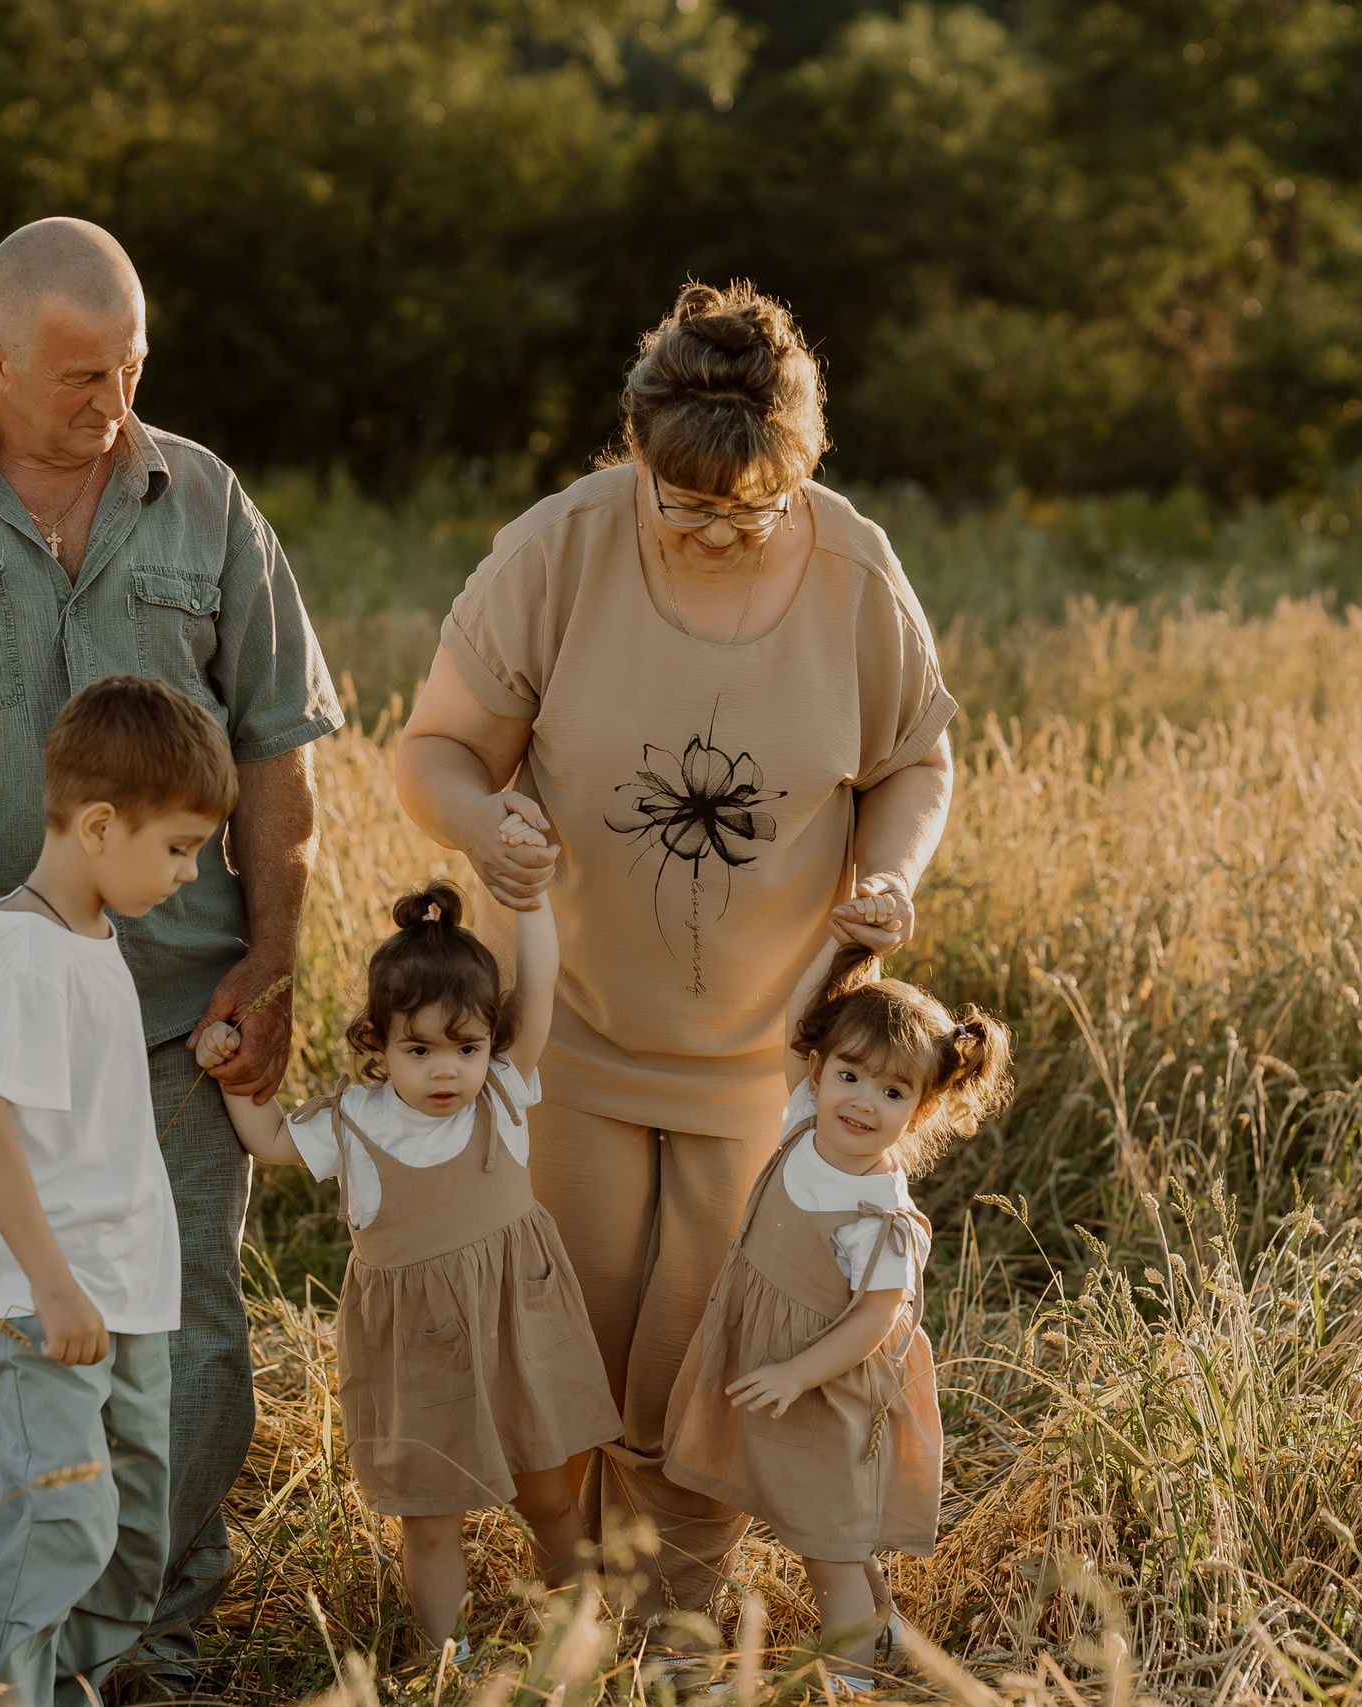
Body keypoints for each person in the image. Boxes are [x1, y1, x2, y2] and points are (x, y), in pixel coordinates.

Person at [0, 215, 343, 1679]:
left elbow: (280, 747)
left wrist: (270, 958)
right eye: (81, 375)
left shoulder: (207, 502)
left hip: (174, 1013)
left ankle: (157, 1636)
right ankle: (6, 1643)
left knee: (190, 1332)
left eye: (133, 368)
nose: (114, 403)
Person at [392, 278, 960, 1618]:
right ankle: (570, 1611)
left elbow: (917, 761)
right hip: (569, 1036)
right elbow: (431, 751)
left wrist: (889, 869)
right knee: (572, 1349)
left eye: (747, 508)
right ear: (634, 454)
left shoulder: (857, 570)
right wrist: (487, 820)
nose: (713, 531)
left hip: (770, 1062)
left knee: (704, 1358)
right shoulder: (558, 548)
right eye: (680, 503)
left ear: (803, 468)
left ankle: (675, 1626)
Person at [193, 852, 620, 1664]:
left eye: (464, 1046)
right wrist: (228, 1068)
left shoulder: (503, 1088)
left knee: (552, 1496)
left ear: (490, 1040)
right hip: (419, 1352)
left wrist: (527, 899)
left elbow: (545, 974)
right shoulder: (355, 1122)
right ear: (376, 1043)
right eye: (417, 1050)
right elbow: (272, 1137)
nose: (445, 1069)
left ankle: (578, 1630)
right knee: (431, 1517)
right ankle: (444, 1655)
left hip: (518, 1329)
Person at [0, 676, 236, 1704]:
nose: (191, 874)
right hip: (43, 1294)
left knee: (133, 1527)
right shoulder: (22, 951)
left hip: (125, 1292)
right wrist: (53, 1284)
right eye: (179, 847)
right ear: (100, 825)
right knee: (65, 1516)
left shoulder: (95, 941)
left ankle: (64, 1691)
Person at [663, 934, 1012, 1693]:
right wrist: (842, 946)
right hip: (771, 1360)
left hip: (827, 1388)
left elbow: (874, 1323)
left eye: (892, 1093)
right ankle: (879, 1630)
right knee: (813, 1524)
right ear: (817, 1069)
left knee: (827, 1546)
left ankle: (848, 1675)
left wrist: (796, 1372)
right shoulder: (802, 1119)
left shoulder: (878, 1213)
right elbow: (800, 1014)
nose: (862, 1101)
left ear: (920, 1110)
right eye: (849, 1075)